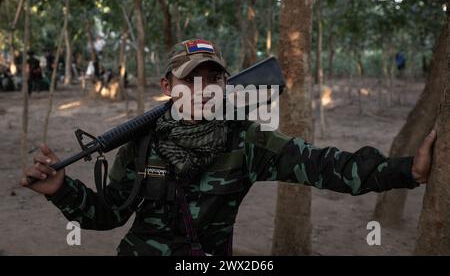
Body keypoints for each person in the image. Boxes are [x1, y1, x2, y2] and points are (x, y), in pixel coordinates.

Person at [21, 39, 437, 256]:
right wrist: (62, 190)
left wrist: (408, 171)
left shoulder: (247, 141)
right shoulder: (140, 143)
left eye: (214, 78)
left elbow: (328, 166)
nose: (203, 90)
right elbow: (108, 214)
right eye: (190, 80)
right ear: (168, 87)